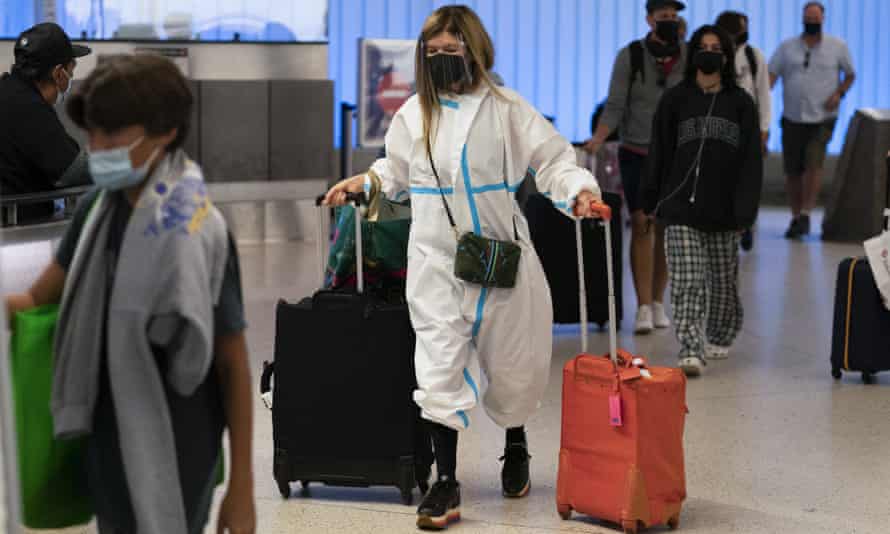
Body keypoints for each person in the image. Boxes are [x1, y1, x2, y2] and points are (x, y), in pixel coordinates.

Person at [323, 5, 602, 530]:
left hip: (498, 256)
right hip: (434, 260)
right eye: (433, 53)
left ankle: (515, 439)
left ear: (475, 52)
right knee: (437, 366)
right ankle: (446, 484)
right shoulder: (413, 114)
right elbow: (396, 169)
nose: (442, 60)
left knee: (513, 367)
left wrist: (579, 193)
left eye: (453, 51)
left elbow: (554, 160)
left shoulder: (506, 108)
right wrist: (368, 182)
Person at [4, 55, 256, 534]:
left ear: (163, 133)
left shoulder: (199, 230)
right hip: (105, 434)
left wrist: (242, 485)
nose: (96, 149)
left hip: (179, 440)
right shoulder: (97, 212)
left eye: (112, 136)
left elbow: (233, 362)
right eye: (92, 133)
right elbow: (36, 300)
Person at [641, 25, 762, 377]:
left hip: (725, 211)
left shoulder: (740, 104)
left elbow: (750, 162)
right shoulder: (676, 100)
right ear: (693, 53)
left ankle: (721, 332)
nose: (709, 53)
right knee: (688, 279)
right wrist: (650, 198)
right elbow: (659, 151)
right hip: (680, 208)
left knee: (722, 284)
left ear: (725, 57)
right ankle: (690, 348)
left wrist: (746, 212)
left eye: (716, 47)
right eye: (703, 47)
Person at [584, 0, 688, 335]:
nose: (669, 22)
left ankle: (659, 301)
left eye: (674, 17)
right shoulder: (630, 56)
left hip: (675, 154)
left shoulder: (688, 56)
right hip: (636, 151)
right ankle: (642, 305)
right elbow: (615, 103)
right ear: (649, 20)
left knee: (667, 227)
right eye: (663, 17)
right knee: (642, 222)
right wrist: (598, 138)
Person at [768, 1, 855, 240]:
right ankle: (796, 217)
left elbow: (850, 74)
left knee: (813, 164)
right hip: (792, 117)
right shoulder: (786, 48)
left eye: (816, 19)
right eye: (809, 18)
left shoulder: (838, 47)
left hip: (822, 118)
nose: (812, 23)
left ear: (823, 20)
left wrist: (839, 94)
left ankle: (806, 212)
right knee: (793, 170)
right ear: (802, 19)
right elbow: (770, 76)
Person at [0, 22, 92, 223]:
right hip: (17, 227)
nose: (70, 79)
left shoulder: (8, 91)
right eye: (71, 72)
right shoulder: (29, 107)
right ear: (59, 74)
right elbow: (73, 173)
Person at [715, 10, 771, 251]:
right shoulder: (715, 54)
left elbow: (763, 93)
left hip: (748, 126)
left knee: (746, 178)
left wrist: (764, 129)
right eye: (740, 28)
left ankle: (746, 224)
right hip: (720, 125)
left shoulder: (753, 55)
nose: (744, 33)